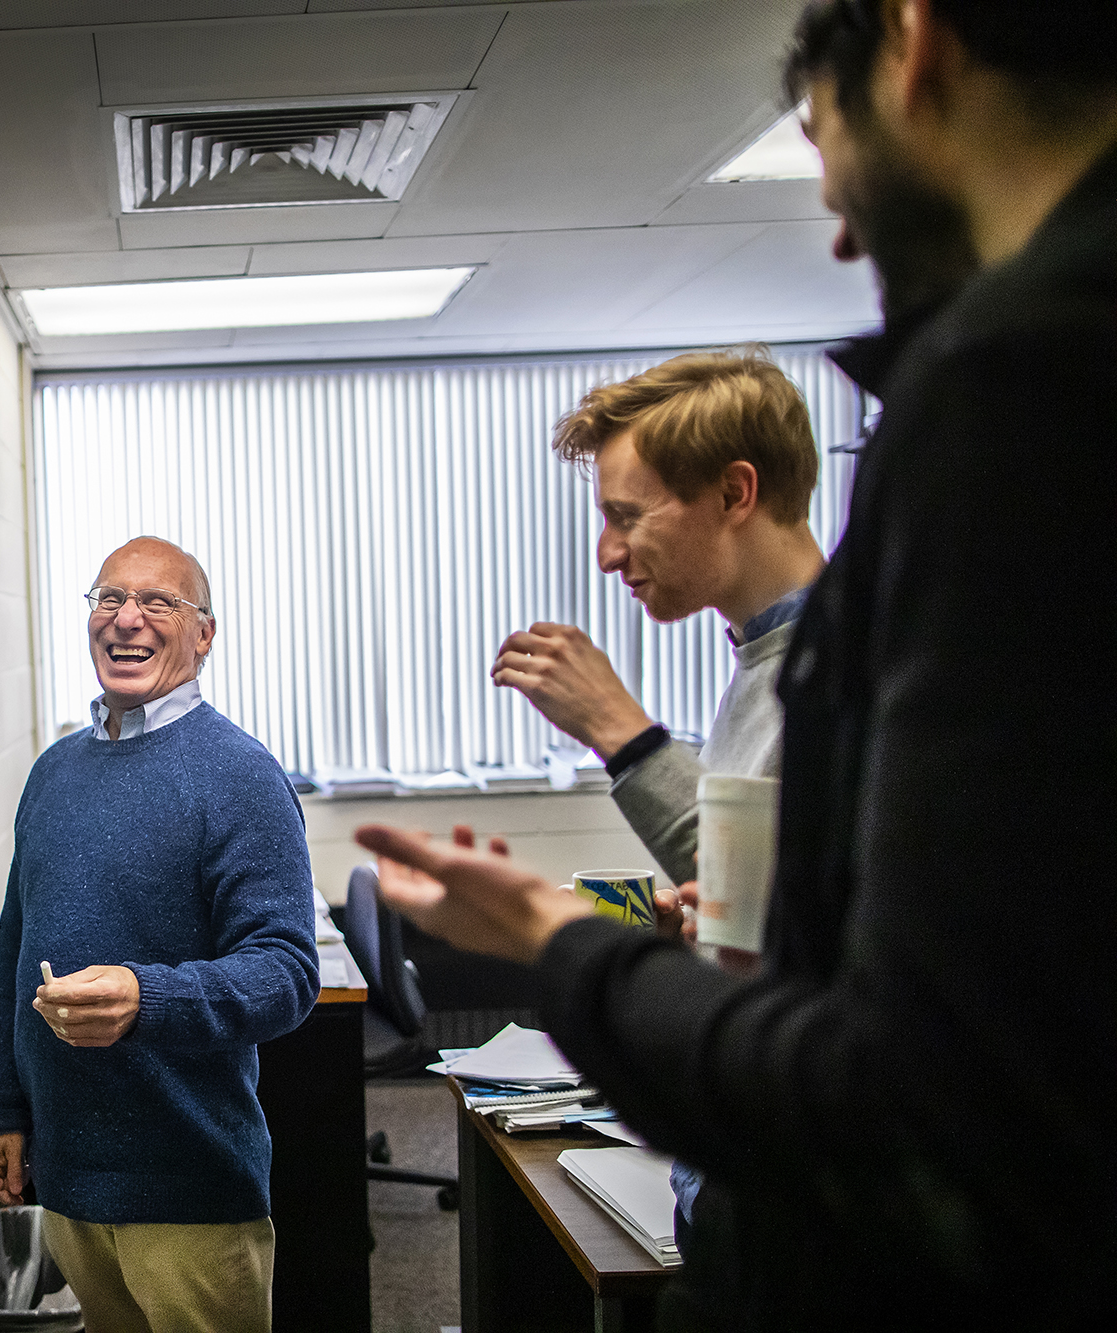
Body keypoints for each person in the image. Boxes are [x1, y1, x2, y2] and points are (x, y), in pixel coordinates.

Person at [357, 1, 1117, 1327]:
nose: (837, 227)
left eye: (625, 517)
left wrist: (564, 918)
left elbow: (927, 1075)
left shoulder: (1015, 399)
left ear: (916, 43)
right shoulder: (779, 651)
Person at [0, 536, 320, 1333]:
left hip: (188, 1191)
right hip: (68, 1179)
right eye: (108, 598)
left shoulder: (240, 775)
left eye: (158, 602)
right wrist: (4, 1108)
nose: (126, 619)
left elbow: (286, 973)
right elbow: (18, 940)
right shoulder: (53, 772)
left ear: (204, 634)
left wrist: (147, 995)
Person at [491, 351, 828, 889]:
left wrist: (619, 729)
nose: (607, 555)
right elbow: (748, 907)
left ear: (733, 494)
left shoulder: (856, 675)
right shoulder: (764, 658)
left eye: (627, 517)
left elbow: (780, 908)